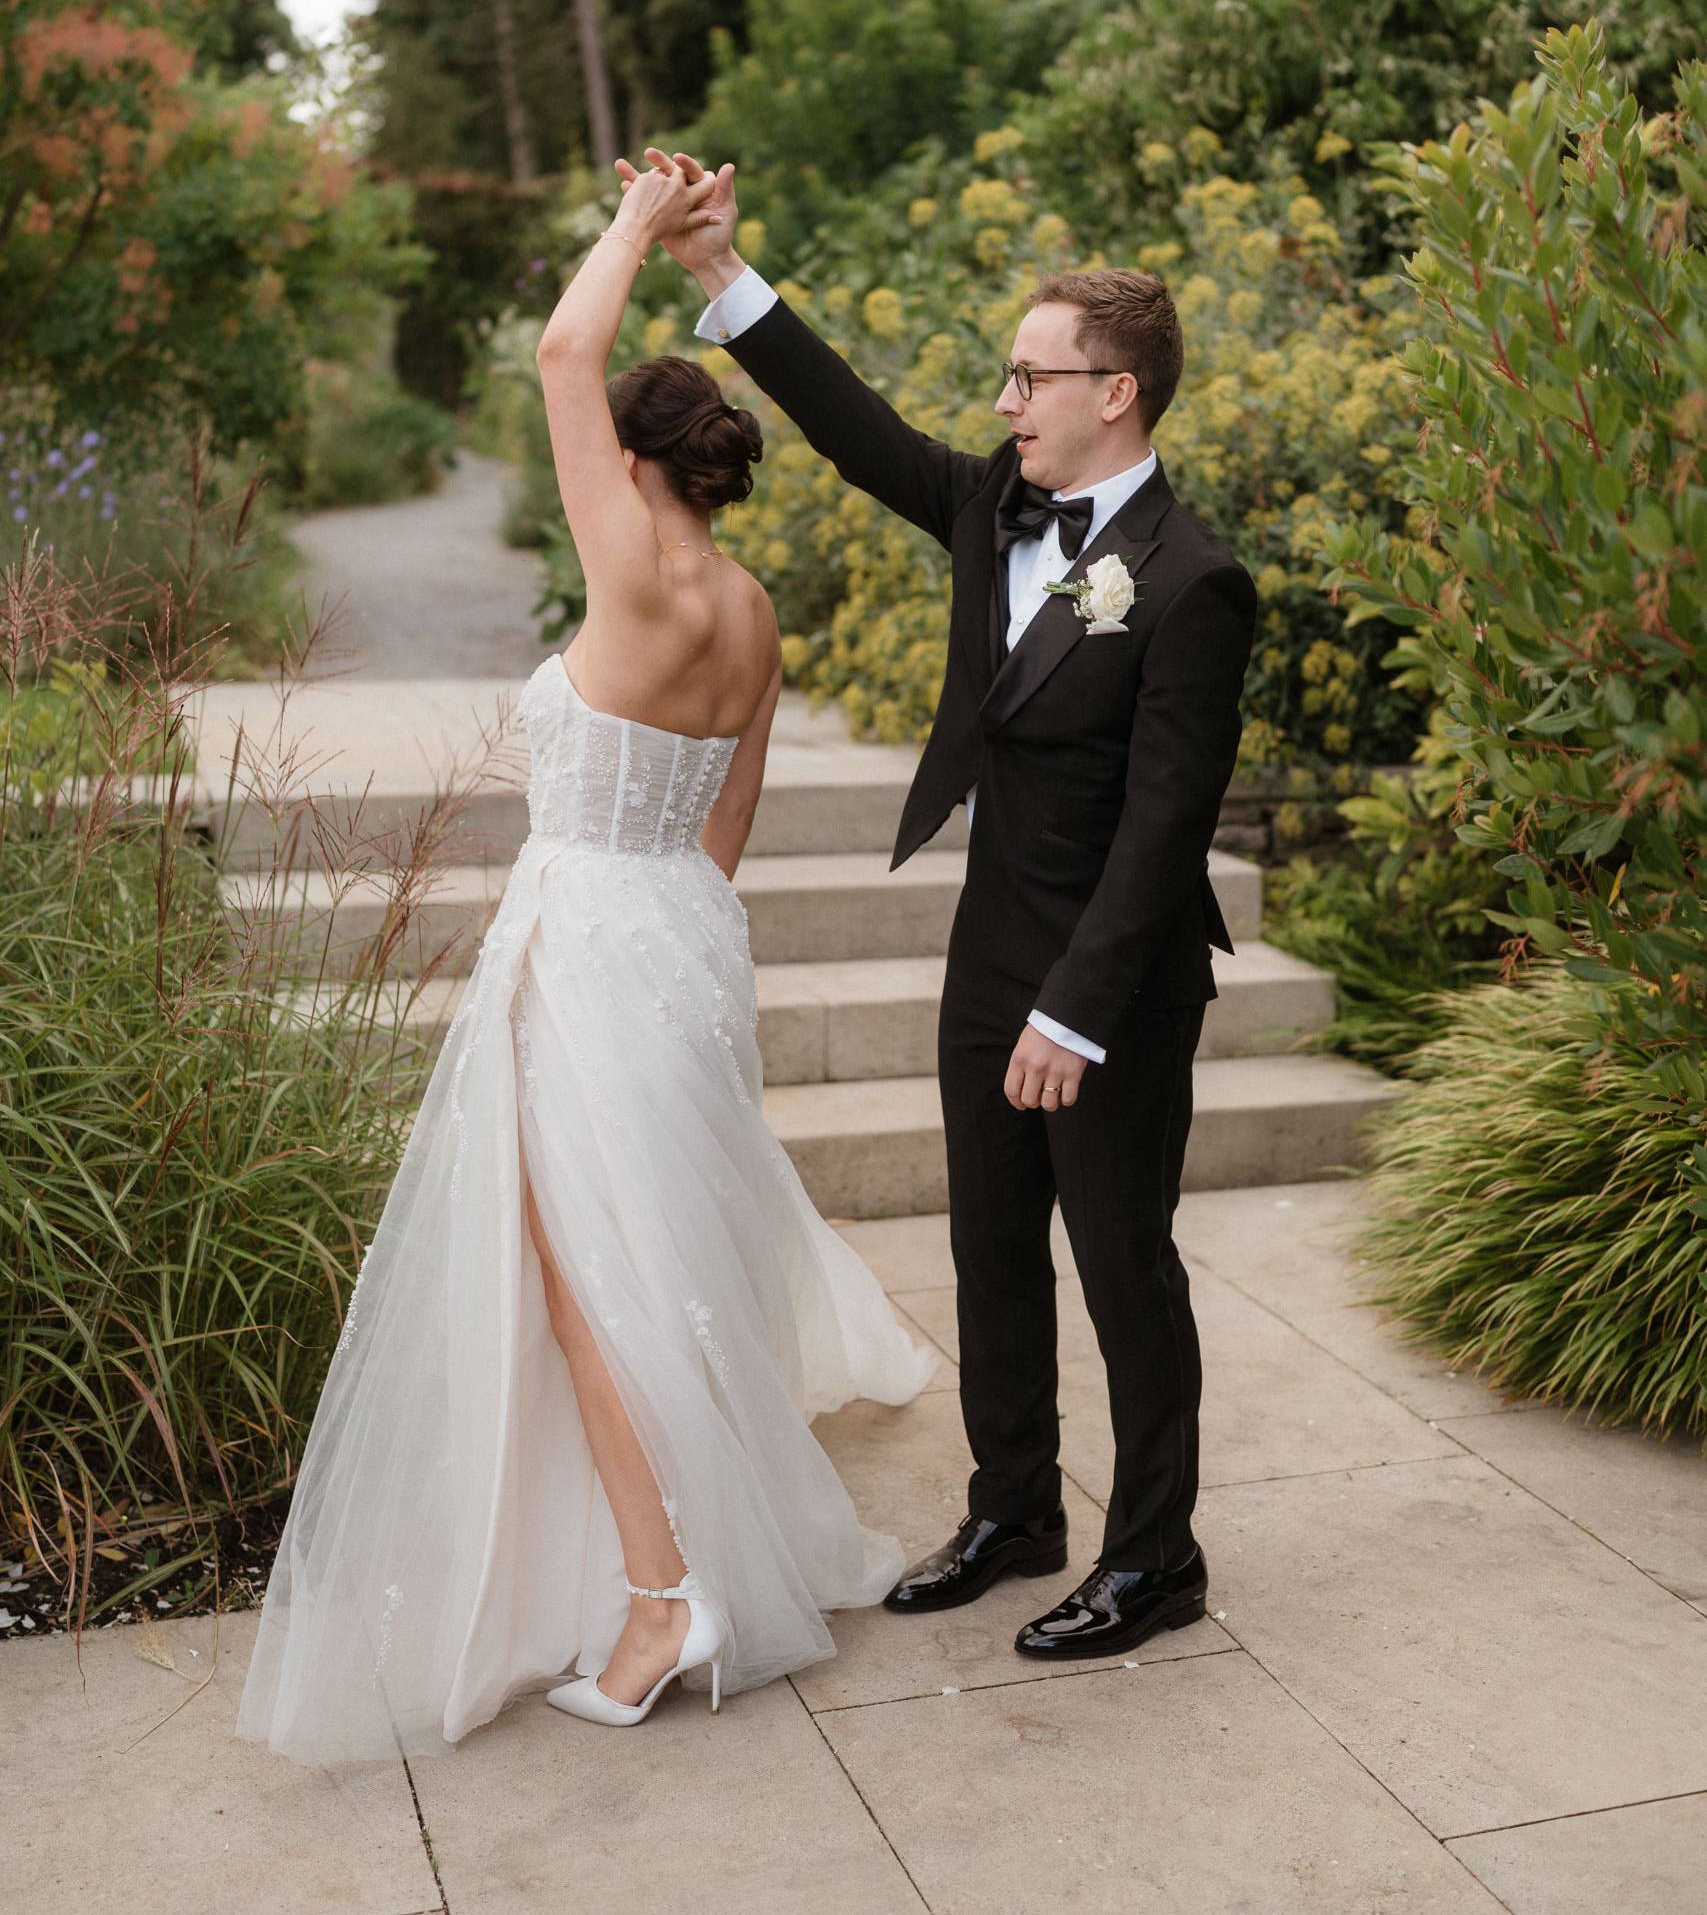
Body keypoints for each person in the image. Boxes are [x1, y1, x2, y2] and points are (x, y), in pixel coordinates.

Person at [236, 158, 937, 1763]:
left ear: (627, 464)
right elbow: (729, 818)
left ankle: (664, 1596)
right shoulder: (754, 613)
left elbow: (564, 352)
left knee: (589, 1287)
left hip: (591, 940)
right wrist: (666, 933)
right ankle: (679, 1555)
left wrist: (634, 226)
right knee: (663, 1263)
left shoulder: (629, 565)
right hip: (685, 932)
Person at [628, 144, 1257, 1663]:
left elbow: (1165, 831)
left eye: (1032, 377)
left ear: (1116, 393)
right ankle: (1014, 1509)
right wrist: (718, 269)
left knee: (1123, 1267)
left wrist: (1075, 1014)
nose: (1006, 399)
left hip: (1113, 982)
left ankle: (1156, 1556)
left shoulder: (1192, 581)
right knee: (990, 1248)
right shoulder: (994, 508)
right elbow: (857, 431)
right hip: (991, 951)